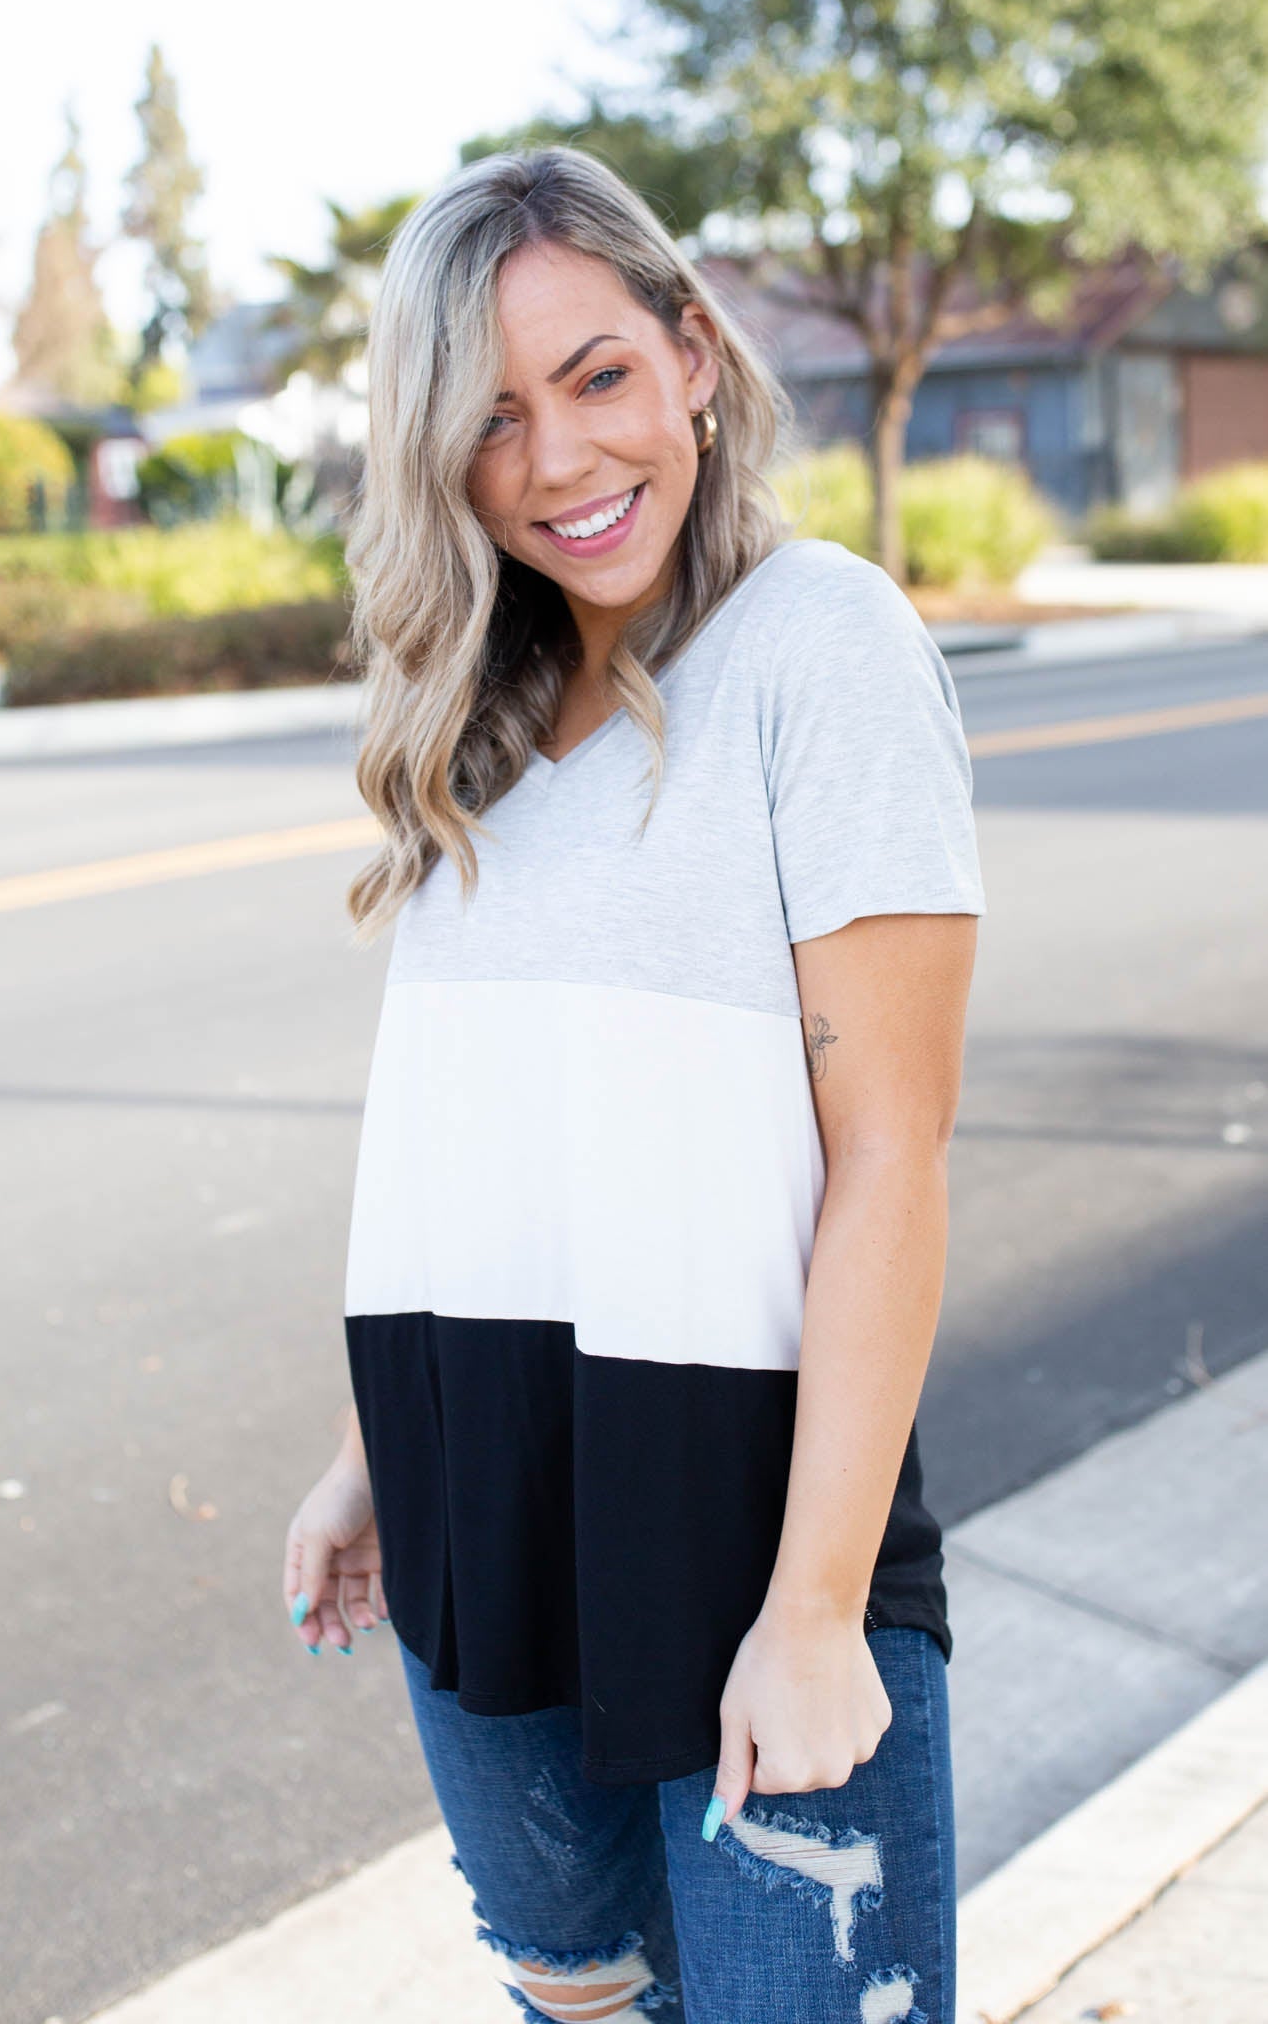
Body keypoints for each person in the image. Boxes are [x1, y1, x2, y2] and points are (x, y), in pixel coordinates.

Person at [283, 144, 985, 2024]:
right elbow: (488, 1151)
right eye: (490, 419)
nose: (561, 464)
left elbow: (890, 1159)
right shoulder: (472, 722)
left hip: (748, 1529)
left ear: (690, 352)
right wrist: (372, 1459)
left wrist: (819, 1608)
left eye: (595, 377)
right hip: (470, 1518)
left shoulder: (816, 642)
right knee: (580, 2006)